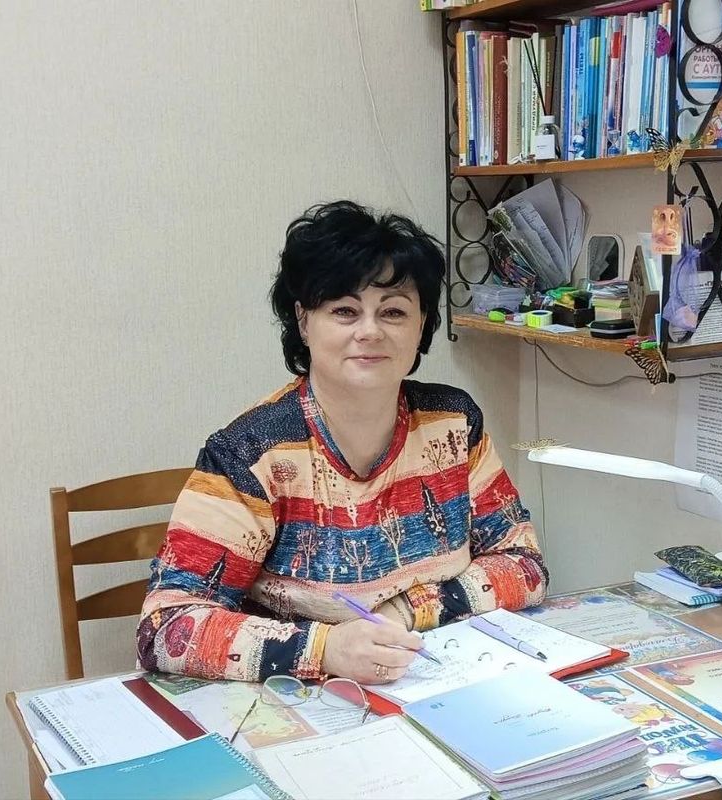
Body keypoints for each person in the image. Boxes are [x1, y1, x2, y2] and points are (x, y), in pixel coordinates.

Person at [136, 200, 549, 687]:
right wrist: (326, 649)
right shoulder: (251, 452)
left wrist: (406, 612)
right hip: (300, 702)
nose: (369, 331)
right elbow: (166, 627)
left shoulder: (453, 423)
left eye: (393, 311)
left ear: (421, 326)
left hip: (434, 681)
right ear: (303, 322)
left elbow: (524, 565)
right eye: (344, 311)